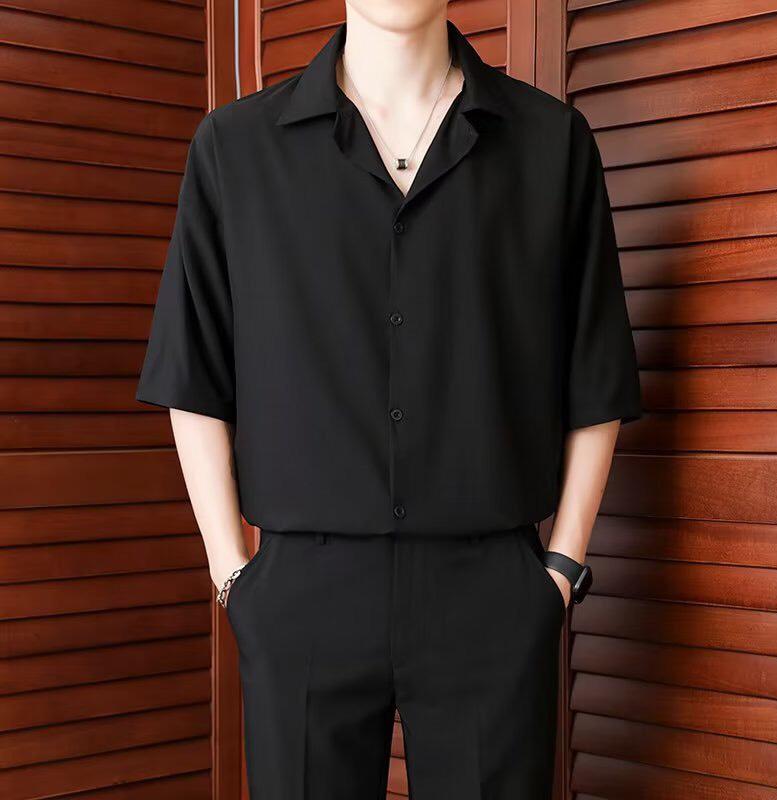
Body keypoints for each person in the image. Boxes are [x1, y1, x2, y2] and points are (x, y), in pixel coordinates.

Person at [135, 2, 642, 798]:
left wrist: (559, 569)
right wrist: (233, 575)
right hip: (301, 593)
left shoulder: (552, 143)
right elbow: (192, 373)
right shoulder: (235, 148)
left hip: (490, 593)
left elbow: (596, 374)